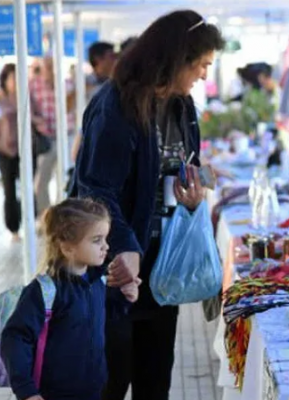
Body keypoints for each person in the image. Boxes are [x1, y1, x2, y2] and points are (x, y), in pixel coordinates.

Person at [72, 10, 225, 400]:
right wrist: (125, 246)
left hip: (160, 271)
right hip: (112, 270)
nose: (205, 75)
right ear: (177, 59)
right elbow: (95, 188)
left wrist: (194, 194)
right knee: (108, 380)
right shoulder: (117, 105)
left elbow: (175, 171)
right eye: (202, 65)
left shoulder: (183, 107)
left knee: (155, 380)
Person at [1, 198, 139, 400]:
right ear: (67, 247)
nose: (106, 247)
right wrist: (27, 391)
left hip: (93, 390)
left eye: (106, 238)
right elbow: (15, 338)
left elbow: (102, 318)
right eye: (96, 240)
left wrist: (125, 299)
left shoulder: (97, 282)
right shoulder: (44, 292)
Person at [30, 56, 76, 219]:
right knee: (41, 181)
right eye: (47, 66)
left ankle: (63, 216)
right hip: (46, 138)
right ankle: (45, 216)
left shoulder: (68, 84)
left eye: (53, 66)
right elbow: (27, 109)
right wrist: (36, 121)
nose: (50, 69)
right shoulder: (33, 85)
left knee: (65, 178)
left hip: (67, 135)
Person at [0, 64, 21, 241]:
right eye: (12, 78)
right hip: (4, 150)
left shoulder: (24, 98)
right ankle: (13, 228)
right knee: (10, 189)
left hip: (24, 149)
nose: (15, 82)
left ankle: (28, 217)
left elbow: (37, 117)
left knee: (26, 186)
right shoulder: (1, 100)